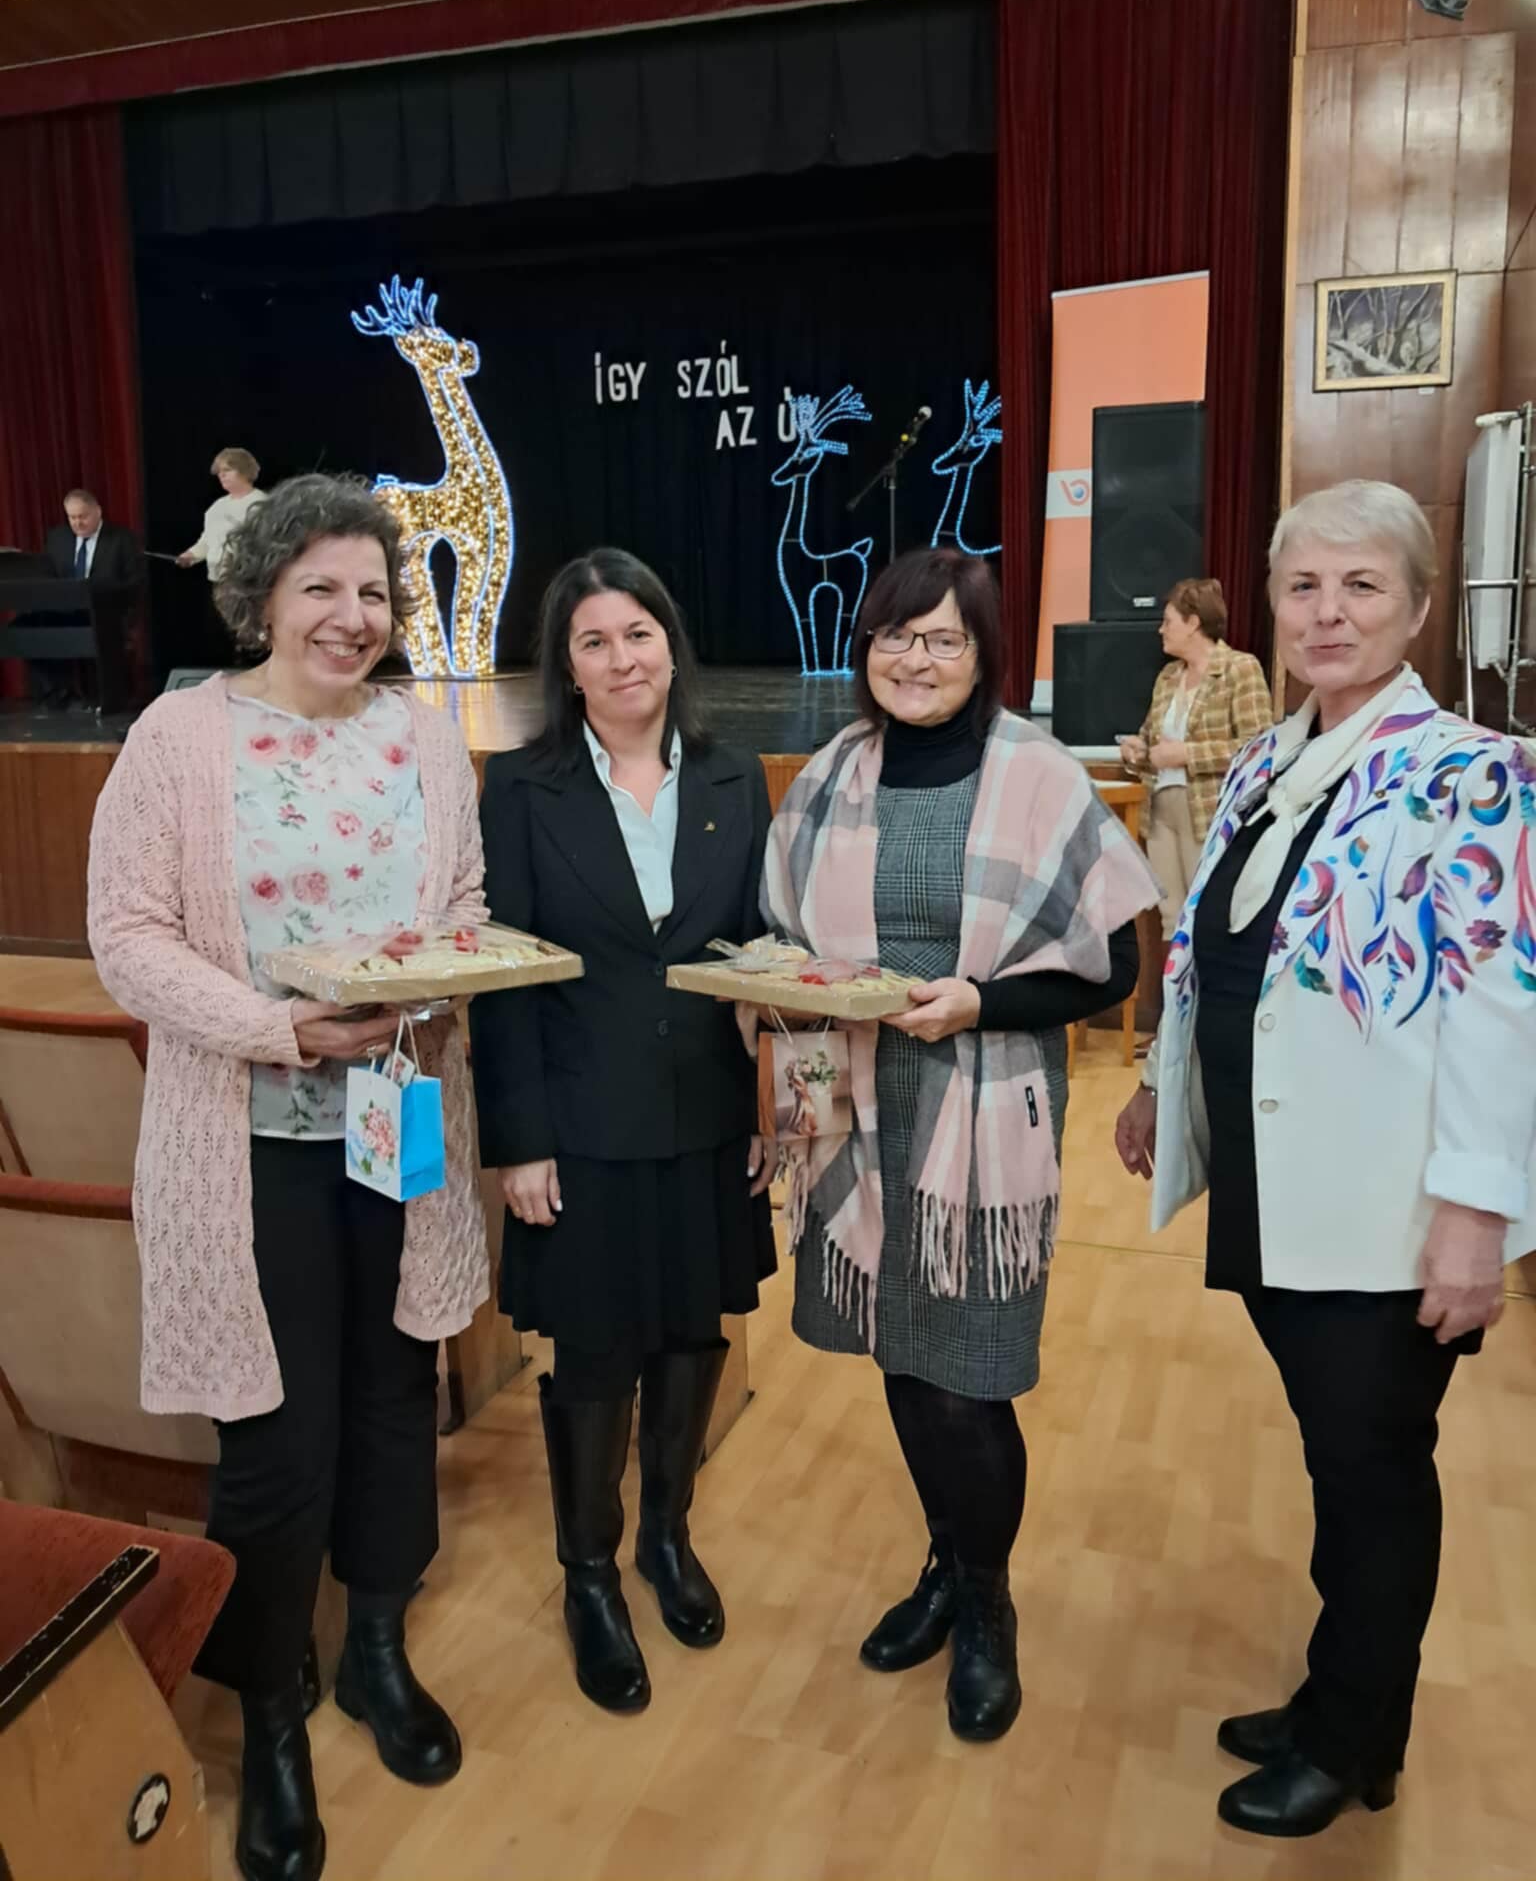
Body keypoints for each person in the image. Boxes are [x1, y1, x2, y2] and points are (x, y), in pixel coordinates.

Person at [1114, 481, 1536, 1838]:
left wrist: (1476, 1214)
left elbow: (1502, 1002)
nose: (1329, 613)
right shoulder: (1268, 757)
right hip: (1275, 1178)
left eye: (1362, 586)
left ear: (1419, 608)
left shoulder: (1477, 772)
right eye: (1304, 586)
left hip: (1388, 1204)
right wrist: (1158, 1083)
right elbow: (1213, 943)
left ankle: (1357, 1738)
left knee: (1371, 1468)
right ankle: (1335, 1694)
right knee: (1336, 1454)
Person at [88, 474, 489, 1881]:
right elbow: (127, 934)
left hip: (402, 1115)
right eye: (321, 586)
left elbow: (463, 910)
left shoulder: (423, 737)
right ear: (261, 593)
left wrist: (442, 986)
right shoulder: (181, 735)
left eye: (373, 591)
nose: (351, 615)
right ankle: (269, 1704)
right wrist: (280, 1029)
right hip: (245, 1134)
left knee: (395, 1387)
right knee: (272, 1425)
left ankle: (375, 1643)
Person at [759, 547, 1159, 1742]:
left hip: (980, 1116)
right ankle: (946, 1558)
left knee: (970, 1374)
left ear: (985, 655)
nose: (915, 658)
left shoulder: (1037, 775)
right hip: (855, 1104)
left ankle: (987, 1599)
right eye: (895, 634)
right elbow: (780, 939)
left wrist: (979, 1002)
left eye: (942, 639)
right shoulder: (831, 775)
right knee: (900, 1350)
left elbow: (1113, 966)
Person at [469, 550, 775, 1715]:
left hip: (707, 1113)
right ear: (566, 664)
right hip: (580, 1123)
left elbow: (760, 957)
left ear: (670, 642)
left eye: (637, 632)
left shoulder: (737, 774)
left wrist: (768, 1104)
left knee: (693, 1337)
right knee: (595, 1352)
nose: (620, 658)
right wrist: (519, 1139)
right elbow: (505, 974)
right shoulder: (521, 785)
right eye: (592, 640)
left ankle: (667, 1535)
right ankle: (589, 1573)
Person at [1119, 577, 1270, 937]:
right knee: (1170, 918)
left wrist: (1187, 754)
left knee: (1206, 915)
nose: (1161, 630)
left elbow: (1258, 746)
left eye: (1168, 621)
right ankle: (1174, 977)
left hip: (1208, 810)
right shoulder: (1168, 677)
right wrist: (1136, 751)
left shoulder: (1239, 669)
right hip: (1160, 812)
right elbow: (1151, 740)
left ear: (1193, 623)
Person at [27, 487, 143, 707]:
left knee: (102, 630)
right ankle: (58, 694)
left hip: (107, 611)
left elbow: (134, 582)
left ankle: (106, 698)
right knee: (27, 628)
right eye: (72, 517)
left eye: (83, 516)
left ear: (97, 511)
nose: (77, 523)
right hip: (65, 610)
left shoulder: (121, 539)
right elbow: (48, 576)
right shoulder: (58, 538)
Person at [177, 447, 269, 578]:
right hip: (219, 579)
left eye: (227, 470)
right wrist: (191, 555)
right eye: (219, 472)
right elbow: (207, 540)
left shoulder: (261, 504)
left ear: (245, 471)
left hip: (249, 580)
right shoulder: (217, 506)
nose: (221, 475)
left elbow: (266, 545)